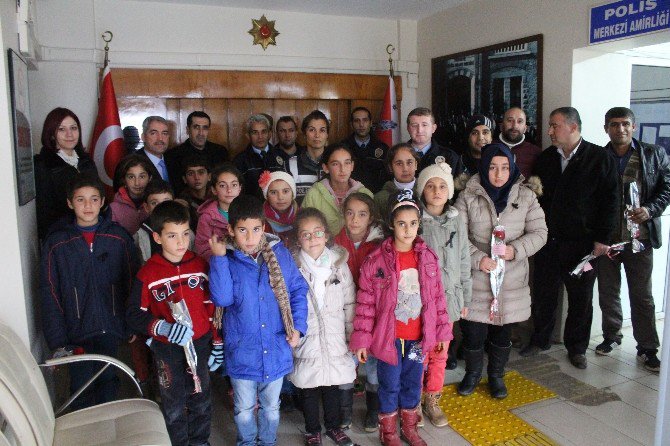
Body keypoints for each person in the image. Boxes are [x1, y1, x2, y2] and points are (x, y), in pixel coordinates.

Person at [350, 189, 452, 446]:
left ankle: (409, 428)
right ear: (392, 225)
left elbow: (437, 299)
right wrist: (362, 339)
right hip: (389, 341)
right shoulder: (376, 261)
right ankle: (389, 432)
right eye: (401, 224)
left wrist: (440, 333)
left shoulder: (427, 257)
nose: (408, 230)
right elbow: (365, 303)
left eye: (413, 223)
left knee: (412, 384)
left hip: (418, 340)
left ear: (419, 223)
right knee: (389, 386)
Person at [521, 107, 619, 370]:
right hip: (548, 243)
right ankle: (540, 339)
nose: (550, 131)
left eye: (555, 126)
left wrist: (602, 239)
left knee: (580, 299)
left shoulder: (599, 158)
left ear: (573, 127)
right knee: (543, 294)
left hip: (583, 245)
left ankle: (577, 348)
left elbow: (611, 202)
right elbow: (535, 200)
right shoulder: (546, 160)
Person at [208, 195, 308, 446]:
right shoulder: (227, 259)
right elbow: (222, 298)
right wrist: (218, 259)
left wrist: (298, 328)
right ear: (231, 230)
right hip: (243, 351)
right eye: (242, 230)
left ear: (263, 226)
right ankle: (247, 442)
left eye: (255, 229)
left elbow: (297, 290)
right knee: (243, 409)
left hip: (275, 347)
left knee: (271, 408)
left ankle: (267, 441)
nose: (250, 238)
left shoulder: (279, 254)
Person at [126, 200, 222, 446]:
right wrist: (161, 328)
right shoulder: (147, 273)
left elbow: (213, 306)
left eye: (185, 234)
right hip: (166, 349)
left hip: (200, 343)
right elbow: (134, 315)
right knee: (173, 402)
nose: (181, 242)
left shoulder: (201, 265)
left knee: (201, 398)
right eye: (172, 235)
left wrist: (217, 341)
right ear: (157, 238)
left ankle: (200, 441)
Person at [455, 143, 547, 398]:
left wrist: (515, 250)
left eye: (505, 168)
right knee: (473, 333)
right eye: (493, 167)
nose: (499, 174)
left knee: (502, 333)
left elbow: (540, 233)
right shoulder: (468, 196)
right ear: (484, 168)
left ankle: (496, 375)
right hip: (477, 278)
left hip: (510, 279)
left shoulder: (526, 196)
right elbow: (459, 236)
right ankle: (472, 374)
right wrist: (478, 259)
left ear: (512, 168)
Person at [41, 174, 137, 410]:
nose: (88, 206)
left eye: (94, 199)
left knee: (108, 382)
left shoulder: (118, 237)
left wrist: (133, 323)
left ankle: (107, 431)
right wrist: (58, 340)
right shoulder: (57, 243)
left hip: (110, 325)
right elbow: (49, 292)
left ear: (103, 202)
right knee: (81, 386)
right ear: (69, 203)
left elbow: (133, 283)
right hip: (76, 330)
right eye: (80, 200)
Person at [596, 107, 670, 372]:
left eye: (626, 124)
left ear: (634, 126)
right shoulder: (598, 157)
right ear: (606, 128)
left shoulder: (652, 154)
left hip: (640, 239)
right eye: (614, 124)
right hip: (607, 240)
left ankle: (648, 348)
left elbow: (667, 185)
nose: (621, 129)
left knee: (642, 296)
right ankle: (611, 336)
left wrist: (650, 209)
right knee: (607, 292)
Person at [289, 207, 356, 446]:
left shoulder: (339, 265)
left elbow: (349, 302)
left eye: (317, 233)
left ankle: (334, 427)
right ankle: (312, 430)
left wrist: (352, 337)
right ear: (298, 239)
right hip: (307, 338)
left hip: (336, 337)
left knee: (332, 386)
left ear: (326, 235)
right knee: (307, 386)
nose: (312, 239)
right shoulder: (293, 267)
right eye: (305, 234)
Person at [416, 162, 472, 425]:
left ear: (449, 191)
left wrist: (465, 298)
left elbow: (463, 260)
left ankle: (433, 398)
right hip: (421, 304)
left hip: (448, 301)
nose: (436, 191)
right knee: (419, 354)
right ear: (422, 191)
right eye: (430, 186)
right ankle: (413, 400)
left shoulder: (456, 219)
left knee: (440, 352)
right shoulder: (416, 221)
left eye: (441, 186)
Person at [333, 192, 384, 432]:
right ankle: (344, 412)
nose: (355, 219)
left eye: (362, 214)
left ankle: (373, 410)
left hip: (373, 315)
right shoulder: (333, 245)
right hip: (344, 314)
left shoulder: (380, 245)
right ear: (343, 215)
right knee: (346, 364)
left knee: (373, 364)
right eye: (350, 213)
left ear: (371, 218)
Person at [34, 107, 98, 240]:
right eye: (61, 129)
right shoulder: (43, 164)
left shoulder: (87, 161)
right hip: (62, 236)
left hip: (92, 231)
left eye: (74, 128)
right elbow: (44, 211)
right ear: (51, 134)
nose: (69, 134)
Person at [302, 143, 373, 235]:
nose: (342, 169)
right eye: (335, 164)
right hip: (322, 248)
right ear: (326, 168)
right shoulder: (314, 194)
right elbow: (303, 227)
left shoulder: (365, 194)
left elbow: (373, 229)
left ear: (352, 166)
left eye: (347, 163)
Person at [165, 111, 229, 195]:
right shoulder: (173, 155)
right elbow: (175, 187)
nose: (201, 133)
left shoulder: (220, 152)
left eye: (205, 128)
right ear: (188, 130)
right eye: (196, 127)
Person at [195, 164, 243, 261]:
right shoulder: (207, 218)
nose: (229, 190)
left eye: (234, 185)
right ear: (214, 190)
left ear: (239, 188)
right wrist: (220, 254)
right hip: (220, 264)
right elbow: (202, 250)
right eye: (222, 185)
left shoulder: (248, 211)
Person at [234, 114, 288, 199]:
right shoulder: (240, 160)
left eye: (264, 131)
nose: (260, 136)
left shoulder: (282, 156)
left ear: (269, 134)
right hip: (252, 208)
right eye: (255, 132)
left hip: (278, 206)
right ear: (248, 136)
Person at [343, 106, 390, 194]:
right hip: (350, 196)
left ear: (371, 123)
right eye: (357, 121)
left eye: (365, 120)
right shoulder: (343, 148)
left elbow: (387, 177)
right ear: (351, 124)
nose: (361, 124)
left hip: (376, 197)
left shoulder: (383, 148)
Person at [406, 107, 464, 176]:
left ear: (433, 128)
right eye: (414, 125)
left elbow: (457, 185)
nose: (420, 130)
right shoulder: (396, 155)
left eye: (424, 125)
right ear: (408, 129)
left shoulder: (450, 157)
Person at [287, 110, 329, 203]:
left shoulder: (335, 163)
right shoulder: (290, 164)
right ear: (305, 135)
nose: (317, 135)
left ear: (327, 135)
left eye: (322, 130)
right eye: (312, 130)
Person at [110, 154, 154, 235]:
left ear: (150, 178)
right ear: (124, 180)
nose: (137, 183)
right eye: (131, 177)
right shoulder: (114, 209)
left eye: (142, 176)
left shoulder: (156, 202)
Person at [374, 143, 420, 218]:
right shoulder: (380, 198)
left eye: (409, 162)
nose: (405, 169)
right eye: (399, 163)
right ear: (390, 167)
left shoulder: (425, 192)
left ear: (416, 165)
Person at [496, 107, 542, 180]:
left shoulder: (536, 153)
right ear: (501, 126)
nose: (515, 126)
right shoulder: (489, 149)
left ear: (525, 128)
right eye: (510, 120)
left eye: (520, 121)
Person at [259, 170, 299, 247]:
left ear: (292, 193)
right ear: (267, 196)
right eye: (273, 192)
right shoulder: (259, 218)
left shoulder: (301, 216)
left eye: (285, 191)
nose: (280, 197)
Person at [178, 154, 212, 232]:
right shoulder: (182, 202)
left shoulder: (217, 197)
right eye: (191, 173)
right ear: (184, 179)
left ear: (209, 176)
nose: (196, 177)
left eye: (201, 172)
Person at [136, 116, 170, 182]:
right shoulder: (132, 162)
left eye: (164, 133)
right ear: (143, 137)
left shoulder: (174, 159)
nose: (160, 138)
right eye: (153, 133)